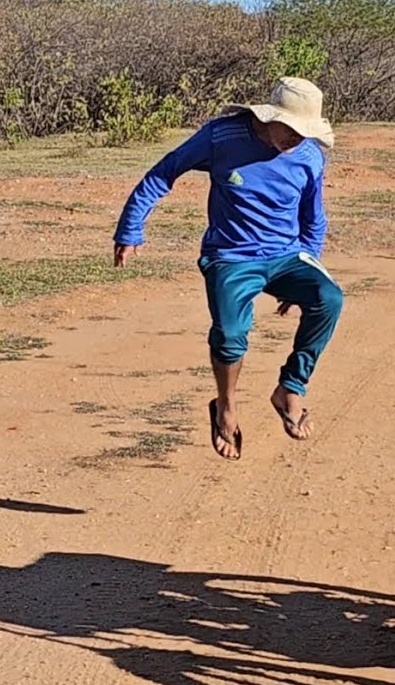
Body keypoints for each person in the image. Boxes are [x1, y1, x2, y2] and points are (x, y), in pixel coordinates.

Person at [112, 77, 344, 461]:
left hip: (287, 256)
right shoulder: (222, 138)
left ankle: (291, 387)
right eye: (290, 129)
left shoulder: (311, 157)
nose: (296, 139)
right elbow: (164, 172)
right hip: (232, 256)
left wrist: (306, 271)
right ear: (269, 118)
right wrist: (131, 226)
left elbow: (313, 220)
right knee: (231, 334)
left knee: (328, 298)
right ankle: (226, 406)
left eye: (306, 131)